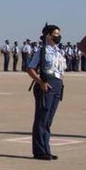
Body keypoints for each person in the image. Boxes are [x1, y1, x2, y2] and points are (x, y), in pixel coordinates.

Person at [27, 24, 66, 160]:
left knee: (48, 120)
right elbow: (30, 69)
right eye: (55, 34)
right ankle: (39, 151)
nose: (58, 36)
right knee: (41, 118)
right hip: (46, 85)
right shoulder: (42, 51)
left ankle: (46, 149)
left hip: (57, 86)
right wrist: (41, 82)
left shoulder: (59, 52)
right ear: (48, 36)